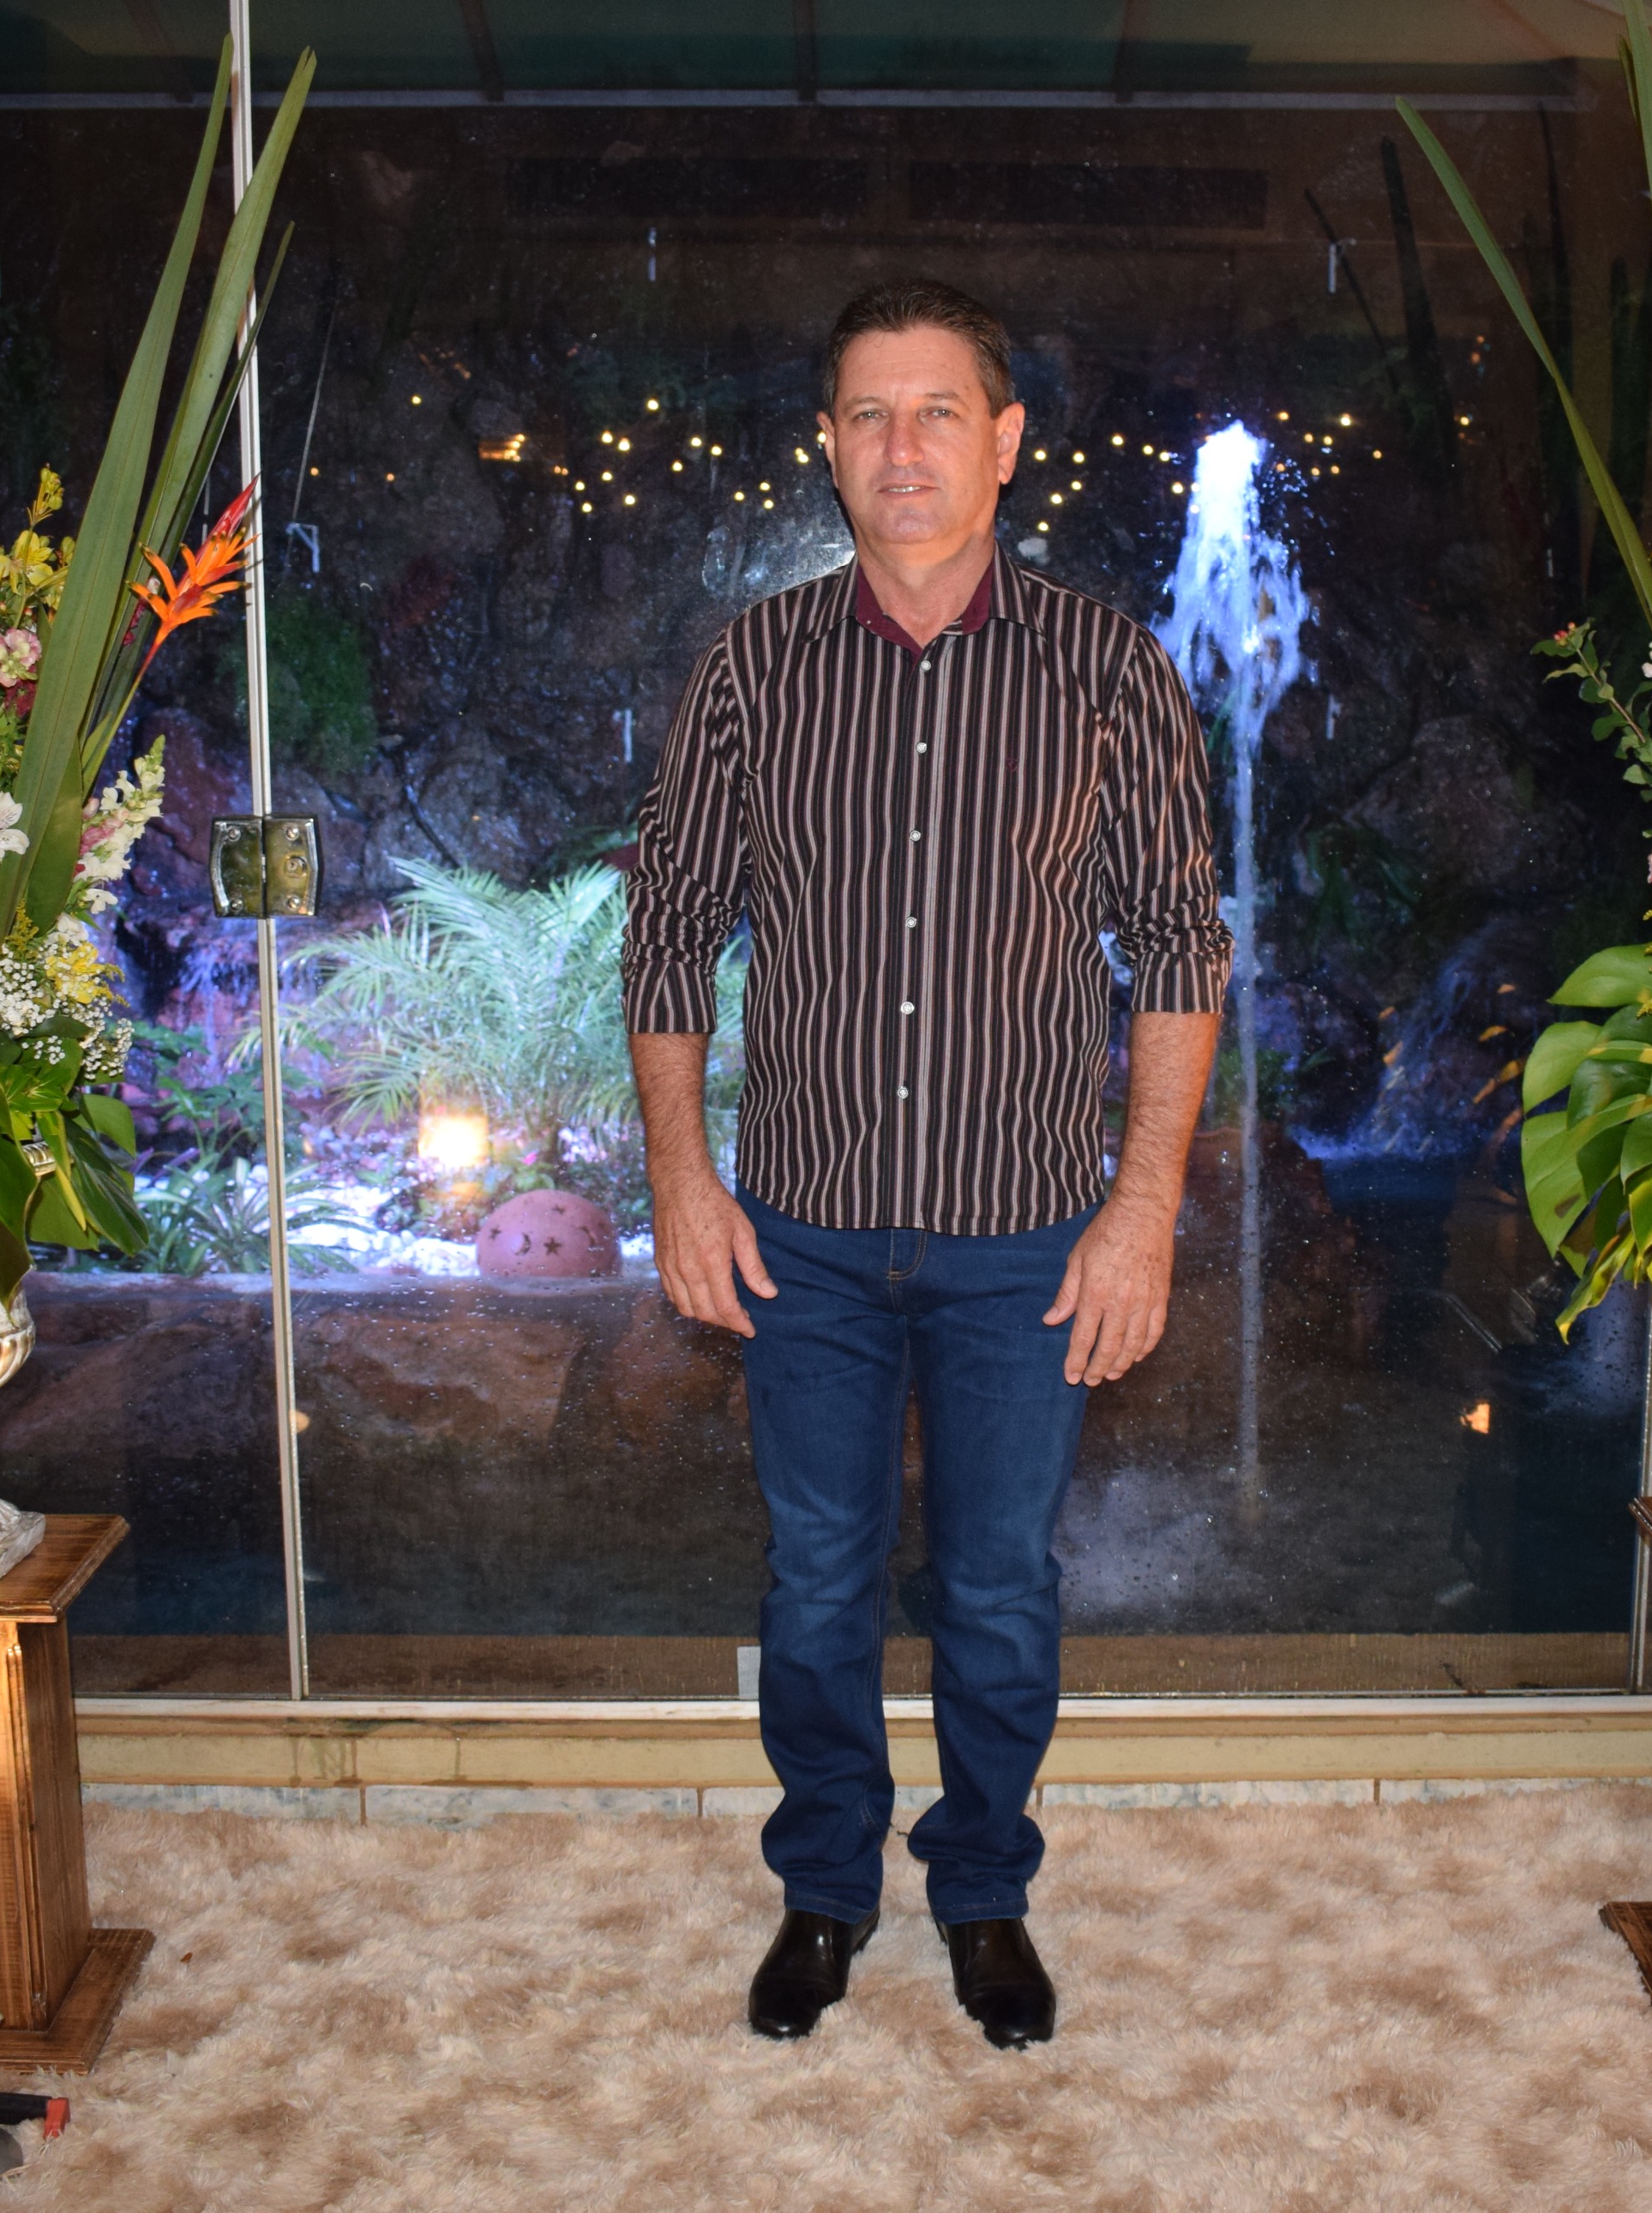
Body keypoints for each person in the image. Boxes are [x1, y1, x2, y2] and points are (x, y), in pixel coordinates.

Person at [621, 277, 1229, 2051]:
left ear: (1005, 440)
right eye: (871, 415)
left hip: (1025, 1235)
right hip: (799, 1233)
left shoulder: (1108, 670)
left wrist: (1142, 1210)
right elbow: (668, 933)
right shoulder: (752, 669)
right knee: (814, 1580)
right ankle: (824, 1886)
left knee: (998, 1589)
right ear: (829, 446)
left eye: (938, 411)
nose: (904, 447)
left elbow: (1179, 950)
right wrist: (681, 1179)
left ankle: (982, 1892)